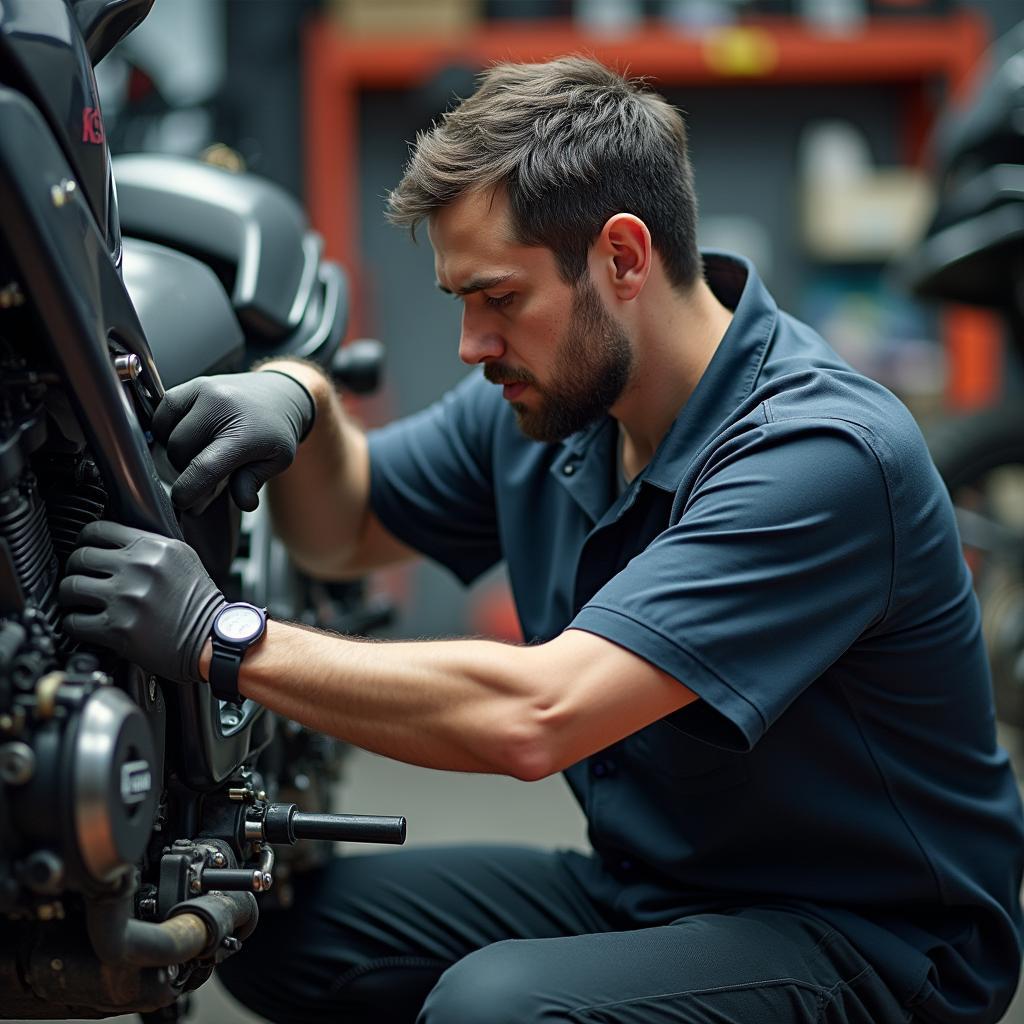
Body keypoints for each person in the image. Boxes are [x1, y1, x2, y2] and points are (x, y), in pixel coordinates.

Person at [60, 58, 1023, 1024]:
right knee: (279, 932)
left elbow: (537, 716)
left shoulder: (819, 457)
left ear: (623, 257)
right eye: (460, 304)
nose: (474, 344)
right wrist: (298, 396)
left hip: (879, 944)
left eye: (500, 298)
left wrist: (218, 637)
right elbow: (345, 527)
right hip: (658, 888)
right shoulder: (559, 407)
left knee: (498, 1010)